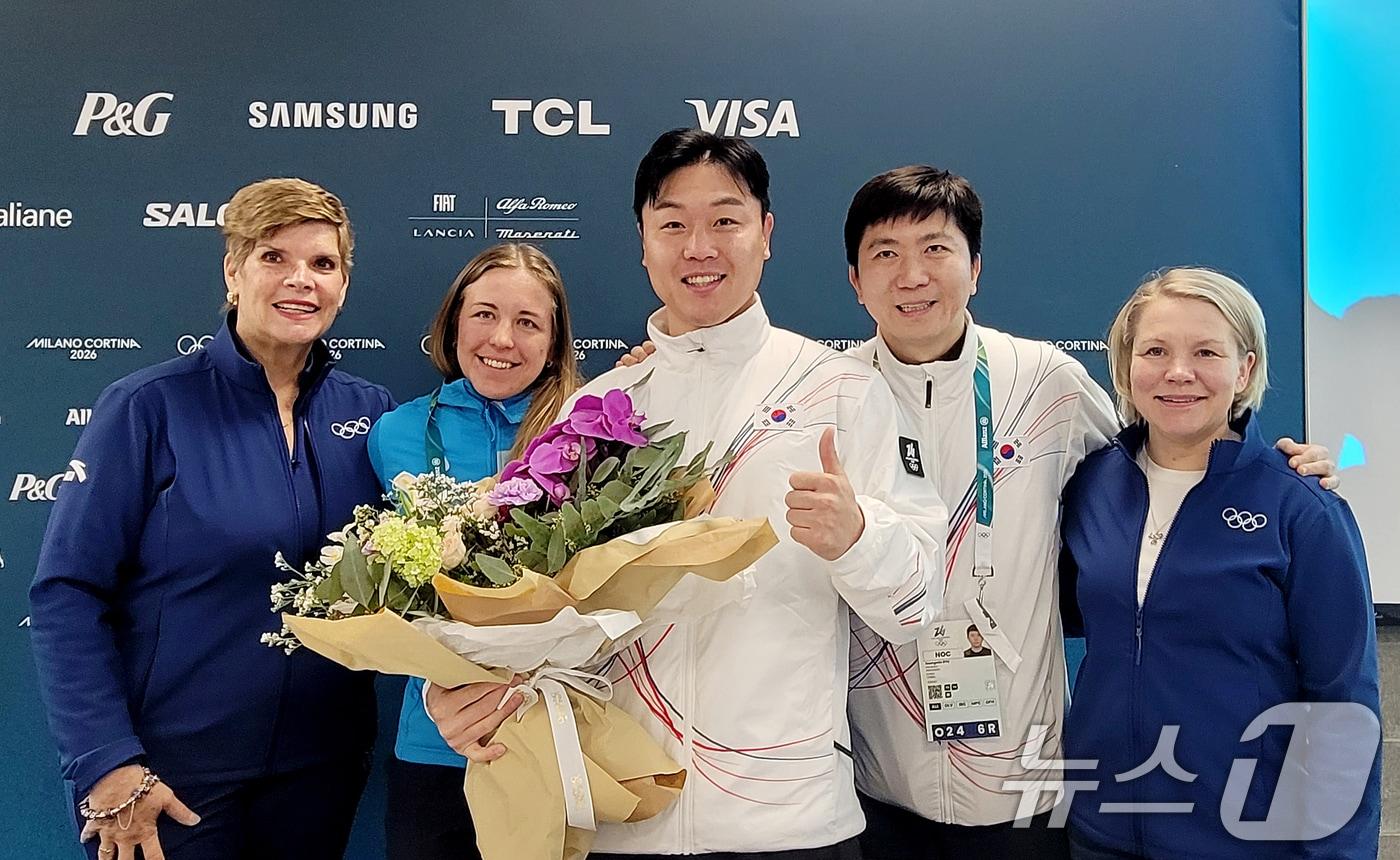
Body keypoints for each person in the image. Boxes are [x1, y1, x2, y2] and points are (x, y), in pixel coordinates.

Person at [615, 165, 1338, 858]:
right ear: (855, 281)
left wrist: (1266, 469)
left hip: (1023, 778)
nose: (913, 276)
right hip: (877, 775)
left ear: (976, 267)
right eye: (885, 254)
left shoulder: (1045, 381)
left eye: (937, 249)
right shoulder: (824, 392)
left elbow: (1154, 455)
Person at [432, 129, 950, 858]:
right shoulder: (600, 410)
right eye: (673, 224)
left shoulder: (845, 391)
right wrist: (458, 692)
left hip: (789, 823)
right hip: (621, 812)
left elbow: (917, 606)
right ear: (643, 241)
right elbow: (537, 611)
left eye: (725, 221)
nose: (699, 247)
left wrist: (858, 538)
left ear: (765, 234)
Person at [29, 178, 394, 859]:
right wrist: (106, 763)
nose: (300, 281)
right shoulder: (146, 407)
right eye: (273, 258)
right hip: (169, 779)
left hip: (321, 771)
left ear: (344, 283)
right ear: (233, 270)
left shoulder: (372, 412)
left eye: (322, 263)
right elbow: (66, 596)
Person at [1059, 267, 1379, 858]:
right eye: (1155, 350)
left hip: (1241, 837)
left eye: (1206, 351)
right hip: (1103, 828)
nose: (1178, 372)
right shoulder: (1089, 486)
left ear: (1245, 369)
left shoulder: (1301, 507)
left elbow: (1343, 706)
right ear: (1128, 365)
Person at [366, 242, 580, 860]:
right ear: (453, 321)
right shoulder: (396, 433)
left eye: (528, 322)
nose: (502, 339)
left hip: (561, 735)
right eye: (484, 314)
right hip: (433, 740)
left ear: (554, 341)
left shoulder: (584, 429)